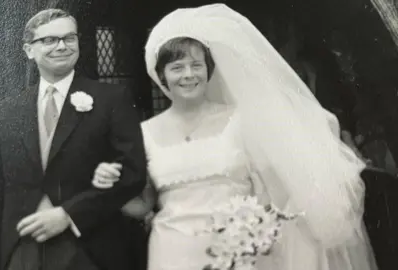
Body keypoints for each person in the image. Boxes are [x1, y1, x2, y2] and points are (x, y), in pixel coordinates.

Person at [91, 4, 378, 270]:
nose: (188, 75)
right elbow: (144, 204)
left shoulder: (241, 122)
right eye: (177, 68)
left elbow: (274, 194)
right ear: (161, 76)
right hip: (172, 253)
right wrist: (109, 189)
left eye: (196, 65)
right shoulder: (144, 133)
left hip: (238, 253)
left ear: (208, 70)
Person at [0, 9, 147, 270]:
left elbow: (132, 173)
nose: (62, 46)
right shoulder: (6, 112)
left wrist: (69, 214)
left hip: (89, 248)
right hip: (21, 250)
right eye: (49, 40)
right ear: (29, 50)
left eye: (69, 38)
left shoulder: (112, 99)